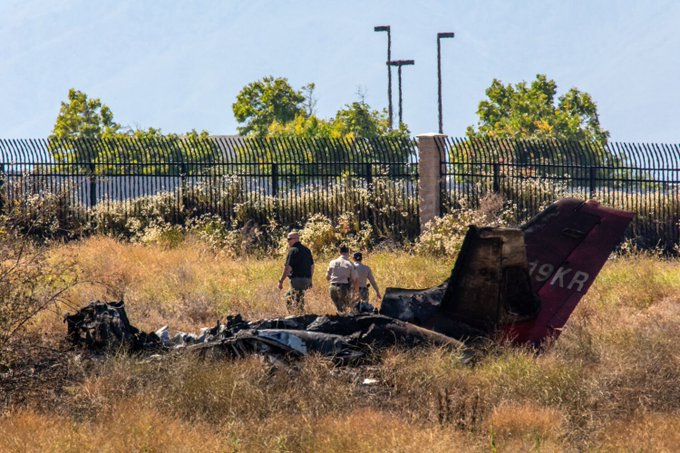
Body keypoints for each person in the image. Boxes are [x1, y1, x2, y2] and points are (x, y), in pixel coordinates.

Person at [277, 231, 314, 314]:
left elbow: (288, 268)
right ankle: (299, 314)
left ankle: (295, 316)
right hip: (307, 280)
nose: (288, 241)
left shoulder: (293, 250)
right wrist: (310, 279)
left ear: (296, 239)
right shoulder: (307, 250)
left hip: (297, 280)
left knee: (289, 298)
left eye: (289, 239)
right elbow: (312, 266)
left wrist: (281, 281)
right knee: (298, 297)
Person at [326, 243, 358, 313]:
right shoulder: (350, 264)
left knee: (339, 309)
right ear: (348, 252)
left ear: (339, 252)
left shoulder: (332, 262)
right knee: (346, 309)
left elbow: (327, 277)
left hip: (332, 288)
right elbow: (354, 279)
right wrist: (356, 291)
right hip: (343, 288)